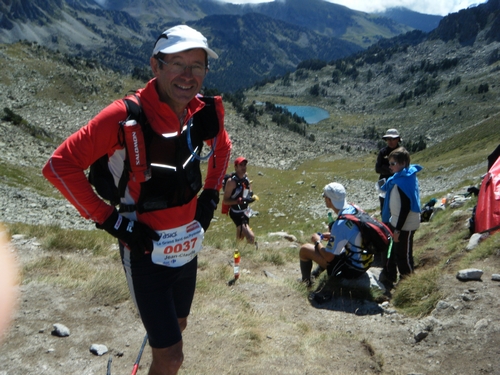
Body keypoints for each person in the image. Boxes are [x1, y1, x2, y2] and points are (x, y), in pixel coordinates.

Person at [42, 25, 232, 375]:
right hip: (143, 249)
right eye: (177, 64)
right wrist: (113, 222)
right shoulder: (123, 116)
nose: (188, 76)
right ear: (155, 66)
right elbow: (58, 166)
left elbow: (222, 148)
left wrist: (210, 195)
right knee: (173, 356)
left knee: (180, 325)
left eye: (197, 66)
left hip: (186, 246)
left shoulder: (202, 111)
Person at [298, 183, 374, 287]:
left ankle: (306, 283)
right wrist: (333, 236)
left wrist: (317, 242)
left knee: (305, 249)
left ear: (329, 200)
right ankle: (315, 275)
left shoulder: (339, 225)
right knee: (332, 247)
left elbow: (329, 257)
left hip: (352, 268)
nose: (324, 199)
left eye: (325, 197)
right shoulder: (354, 208)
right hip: (364, 261)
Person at [379, 147, 422, 289]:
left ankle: (410, 284)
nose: (390, 166)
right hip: (397, 221)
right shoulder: (401, 177)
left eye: (393, 163)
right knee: (398, 252)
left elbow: (406, 207)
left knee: (404, 255)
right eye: (389, 163)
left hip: (405, 224)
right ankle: (399, 278)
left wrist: (397, 230)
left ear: (403, 163)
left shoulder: (404, 182)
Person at [222, 156, 257, 245]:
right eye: (241, 165)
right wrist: (238, 201)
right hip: (236, 213)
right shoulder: (231, 182)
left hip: (246, 211)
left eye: (244, 165)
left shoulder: (246, 177)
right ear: (236, 167)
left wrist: (250, 197)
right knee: (250, 237)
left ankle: (238, 252)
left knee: (240, 237)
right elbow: (225, 201)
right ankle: (252, 255)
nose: (243, 167)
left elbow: (250, 189)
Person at [375, 128, 402, 212]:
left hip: (398, 182)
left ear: (397, 139)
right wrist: (392, 170)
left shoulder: (402, 152)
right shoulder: (383, 152)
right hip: (384, 183)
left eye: (392, 139)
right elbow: (377, 168)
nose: (390, 141)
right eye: (388, 139)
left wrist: (385, 168)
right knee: (384, 206)